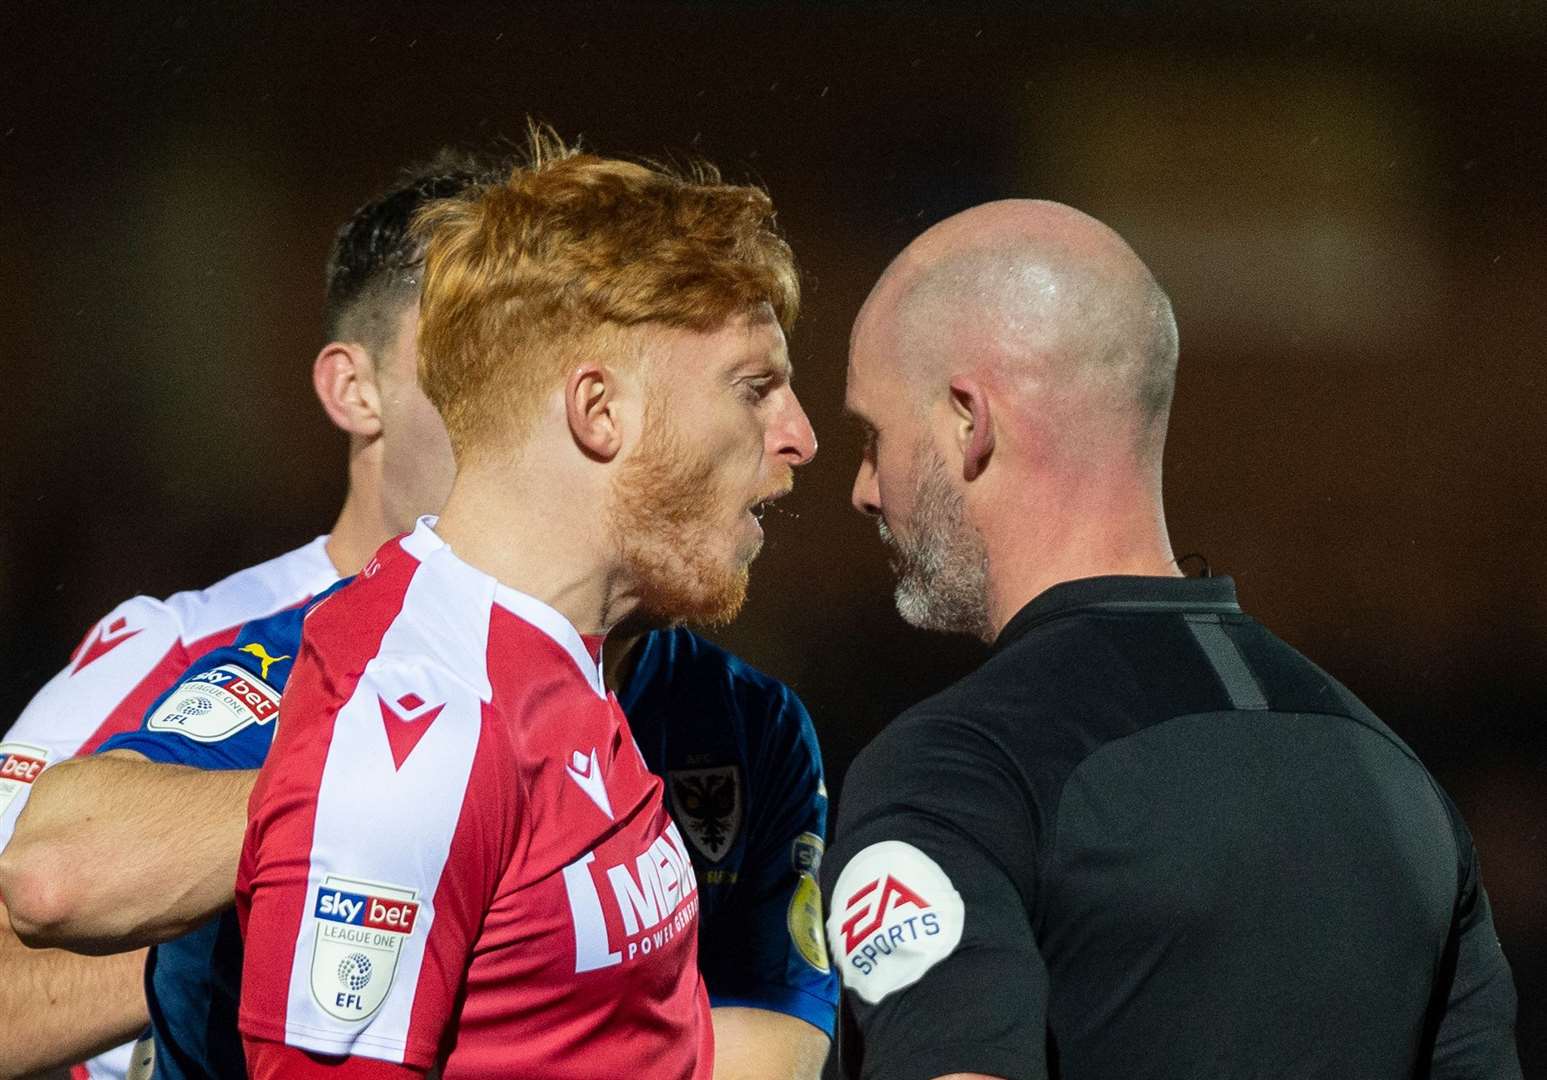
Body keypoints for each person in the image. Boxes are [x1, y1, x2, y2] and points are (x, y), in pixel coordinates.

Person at [0, 152, 834, 1080]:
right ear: (593, 407)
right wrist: (372, 824)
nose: (801, 434)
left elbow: (732, 1045)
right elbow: (47, 884)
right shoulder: (365, 690)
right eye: (752, 388)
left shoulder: (626, 696)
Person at [820, 199, 1522, 1080]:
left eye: (871, 436)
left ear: (969, 418)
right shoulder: (1396, 780)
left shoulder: (956, 769)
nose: (862, 489)